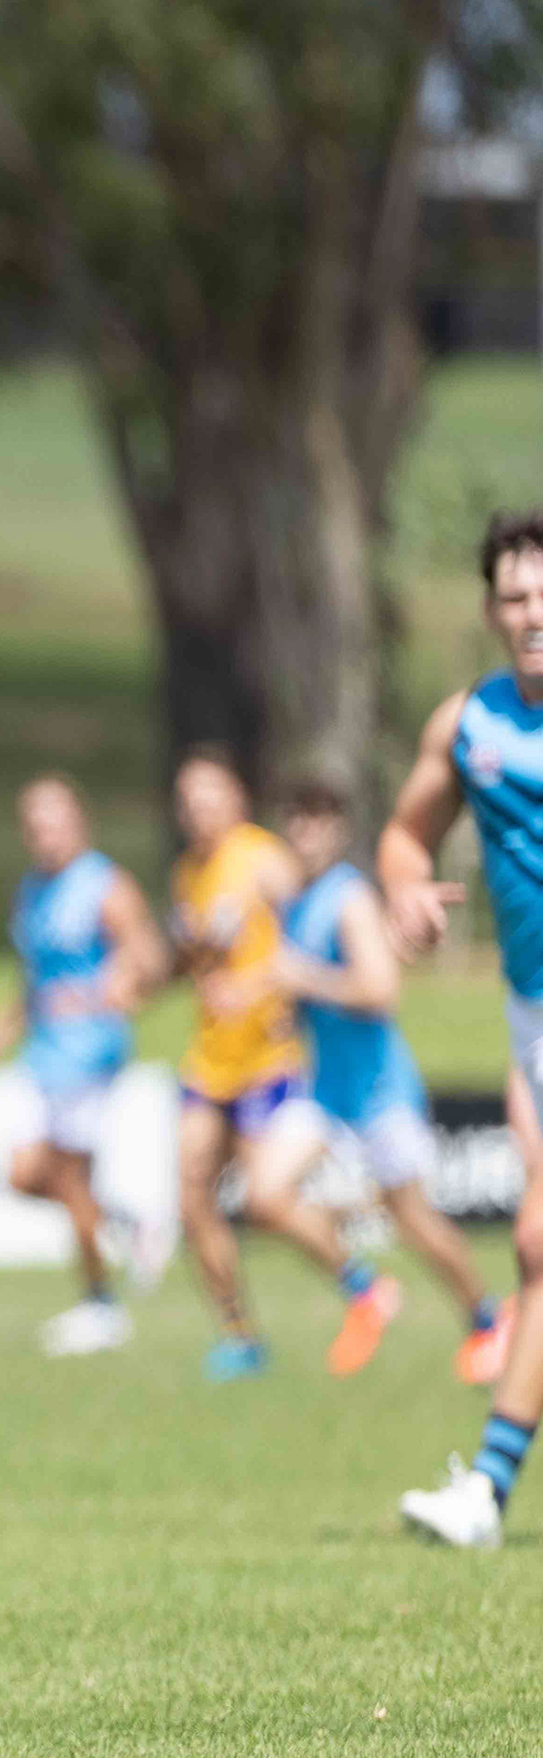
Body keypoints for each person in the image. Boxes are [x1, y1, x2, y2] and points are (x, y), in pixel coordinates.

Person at [385, 512, 543, 1546]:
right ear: (491, 610)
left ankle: (486, 1490)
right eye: (517, 597)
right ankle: (486, 1490)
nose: (535, 615)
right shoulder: (470, 724)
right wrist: (404, 887)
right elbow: (405, 835)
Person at [269, 778, 507, 1383]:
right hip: (327, 1091)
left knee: (414, 1220)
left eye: (318, 818)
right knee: (264, 1193)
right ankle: (367, 1290)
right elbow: (311, 989)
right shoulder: (297, 902)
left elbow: (379, 990)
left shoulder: (348, 898)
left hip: (379, 1092)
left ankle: (486, 1320)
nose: (305, 831)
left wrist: (302, 978)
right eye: (296, 817)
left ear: (339, 829)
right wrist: (287, 1013)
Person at [164, 747, 374, 1380]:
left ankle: (359, 1281)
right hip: (211, 1058)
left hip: (268, 1059)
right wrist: (186, 950)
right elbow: (197, 963)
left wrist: (286, 998)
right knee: (190, 1192)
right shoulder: (187, 873)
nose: (198, 812)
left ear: (236, 800)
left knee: (266, 1201)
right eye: (188, 802)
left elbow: (312, 925)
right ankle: (239, 1334)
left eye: (209, 798)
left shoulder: (263, 859)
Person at [0, 774, 164, 1356]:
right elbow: (38, 976)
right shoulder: (31, 890)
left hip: (89, 1055)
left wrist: (105, 993)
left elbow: (148, 962)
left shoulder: (106, 886)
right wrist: (9, 1020)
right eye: (35, 826)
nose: (45, 836)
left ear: (79, 822)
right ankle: (127, 1224)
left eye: (55, 823)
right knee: (23, 1175)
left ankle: (101, 1306)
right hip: (42, 1053)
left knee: (71, 1178)